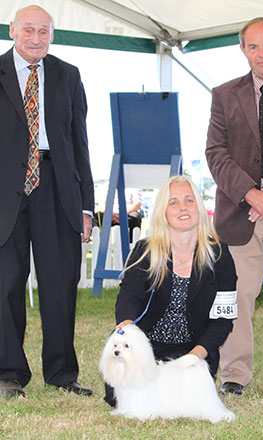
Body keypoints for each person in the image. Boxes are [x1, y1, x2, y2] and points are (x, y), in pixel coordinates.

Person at [0, 5, 94, 398]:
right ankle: (8, 374)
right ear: (12, 31)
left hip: (58, 188)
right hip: (6, 191)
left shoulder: (68, 75)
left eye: (44, 31)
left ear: (52, 34)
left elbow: (80, 143)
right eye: (29, 31)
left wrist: (86, 206)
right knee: (5, 285)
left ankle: (62, 374)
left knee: (60, 285)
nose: (36, 38)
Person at [206, 17, 263, 398]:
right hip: (239, 213)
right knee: (235, 299)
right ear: (242, 50)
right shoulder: (223, 94)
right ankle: (235, 373)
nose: (262, 53)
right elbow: (215, 154)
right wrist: (251, 193)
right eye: (253, 46)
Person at [104, 175, 237, 407]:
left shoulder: (219, 255)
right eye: (173, 202)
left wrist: (197, 355)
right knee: (122, 399)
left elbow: (223, 319)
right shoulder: (145, 250)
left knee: (187, 401)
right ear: (163, 211)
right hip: (145, 347)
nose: (182, 208)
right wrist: (127, 331)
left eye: (189, 200)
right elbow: (129, 296)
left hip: (191, 352)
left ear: (199, 207)